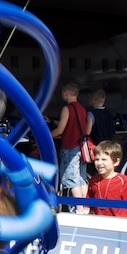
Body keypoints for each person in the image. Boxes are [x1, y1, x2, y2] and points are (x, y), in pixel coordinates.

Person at [50, 81, 89, 214]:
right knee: (81, 178)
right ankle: (85, 207)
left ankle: (79, 209)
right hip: (81, 148)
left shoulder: (67, 109)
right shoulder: (82, 109)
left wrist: (47, 135)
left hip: (70, 147)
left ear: (66, 93)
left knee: (71, 180)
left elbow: (61, 130)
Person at [86, 141, 127, 219]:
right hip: (98, 223)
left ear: (116, 162)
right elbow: (87, 204)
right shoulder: (93, 180)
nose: (99, 163)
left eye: (104, 160)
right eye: (97, 159)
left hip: (118, 224)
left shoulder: (123, 181)